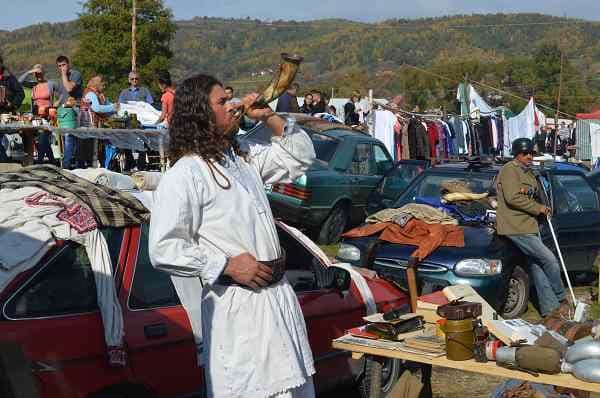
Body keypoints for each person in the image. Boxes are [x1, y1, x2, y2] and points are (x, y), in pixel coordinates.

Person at [149, 74, 316, 398]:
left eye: (230, 98)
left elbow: (300, 157)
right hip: (238, 310)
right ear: (200, 113)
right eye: (222, 101)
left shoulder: (242, 158)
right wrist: (225, 264)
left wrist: (268, 116)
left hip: (277, 301)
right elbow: (163, 247)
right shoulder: (185, 173)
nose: (232, 105)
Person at [496, 138, 568, 317]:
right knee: (549, 259)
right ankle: (561, 297)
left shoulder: (528, 172)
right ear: (516, 154)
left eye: (531, 153)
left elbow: (532, 194)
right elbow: (513, 197)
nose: (529, 156)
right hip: (515, 226)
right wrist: (539, 208)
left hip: (530, 225)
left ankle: (550, 310)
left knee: (538, 267)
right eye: (525, 153)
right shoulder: (509, 171)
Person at [18, 64, 59, 163]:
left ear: (44, 73)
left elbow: (63, 92)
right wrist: (29, 72)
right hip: (36, 116)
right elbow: (19, 82)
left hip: (48, 115)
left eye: (40, 73)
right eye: (36, 74)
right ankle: (52, 162)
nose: (38, 75)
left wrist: (57, 103)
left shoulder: (51, 83)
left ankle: (40, 162)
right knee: (43, 140)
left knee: (42, 139)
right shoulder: (33, 84)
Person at [82, 75, 118, 169]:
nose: (105, 87)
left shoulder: (98, 94)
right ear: (98, 84)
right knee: (95, 148)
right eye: (103, 85)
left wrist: (114, 107)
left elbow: (107, 104)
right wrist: (113, 107)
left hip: (98, 125)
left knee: (101, 147)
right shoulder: (90, 94)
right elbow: (96, 108)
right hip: (92, 125)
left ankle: (105, 165)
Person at [55, 55, 83, 169]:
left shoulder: (75, 74)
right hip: (64, 112)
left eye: (64, 65)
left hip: (76, 110)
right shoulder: (61, 79)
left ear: (68, 64)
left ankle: (67, 165)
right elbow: (63, 94)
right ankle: (71, 163)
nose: (62, 68)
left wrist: (63, 75)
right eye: (59, 66)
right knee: (67, 137)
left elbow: (69, 89)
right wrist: (56, 103)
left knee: (70, 136)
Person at [0, 55, 25, 162]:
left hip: (7, 115)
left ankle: (7, 162)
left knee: (7, 140)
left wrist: (12, 104)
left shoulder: (9, 78)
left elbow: (21, 93)